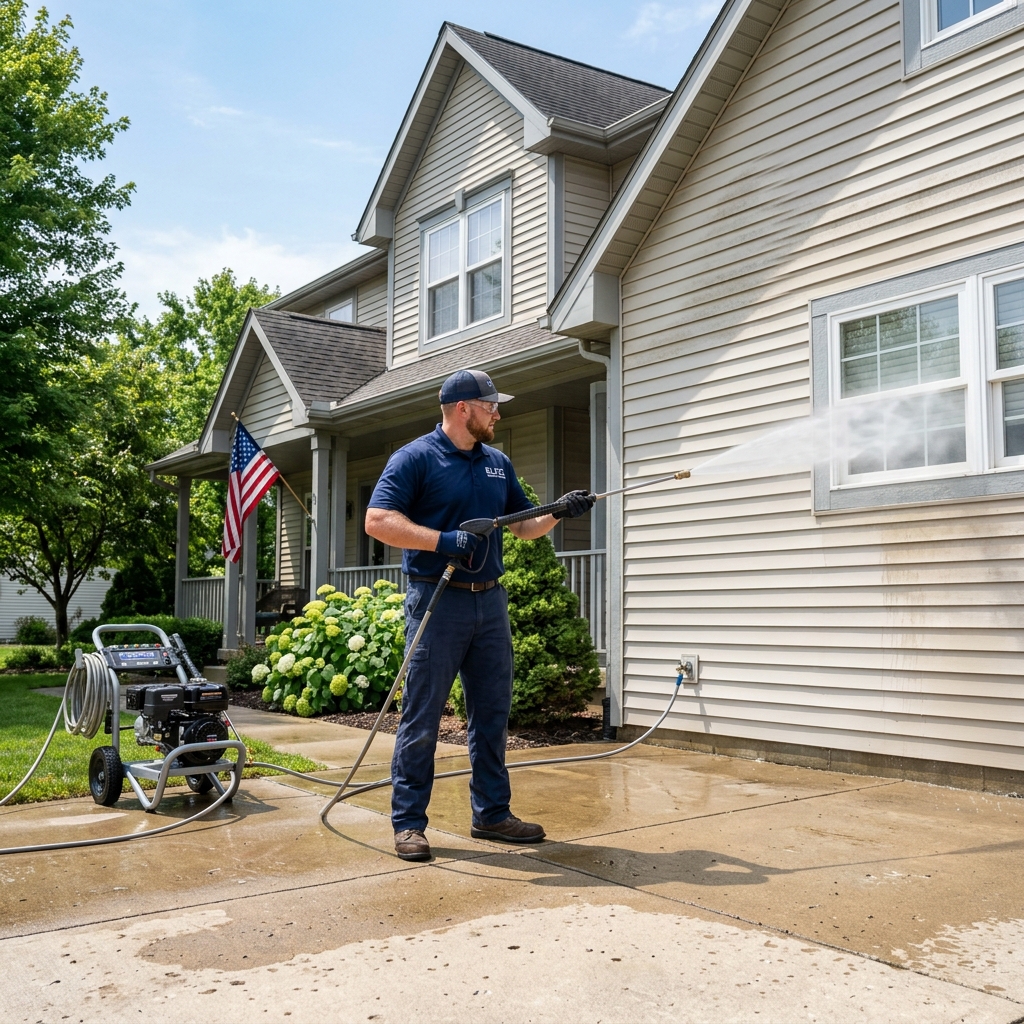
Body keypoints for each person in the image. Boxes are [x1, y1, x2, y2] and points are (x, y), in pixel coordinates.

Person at [365, 369, 595, 861]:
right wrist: (441, 540)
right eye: (491, 405)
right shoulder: (415, 458)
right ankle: (409, 824)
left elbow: (525, 525)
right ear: (463, 408)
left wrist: (559, 510)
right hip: (436, 599)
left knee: (491, 713)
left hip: (490, 603)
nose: (498, 411)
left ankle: (492, 815)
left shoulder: (497, 463)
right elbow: (378, 520)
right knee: (422, 716)